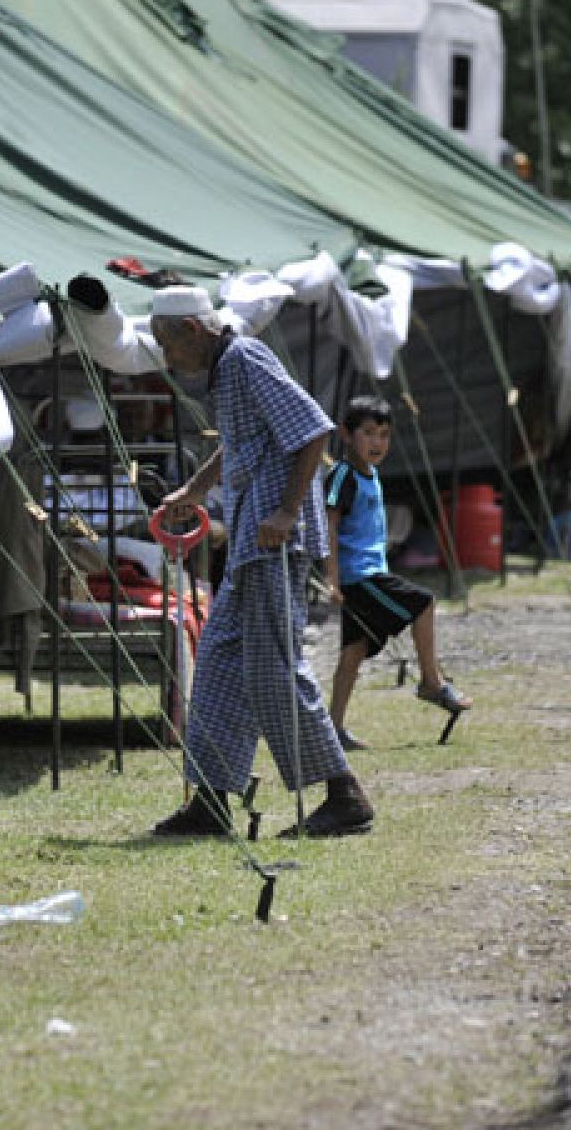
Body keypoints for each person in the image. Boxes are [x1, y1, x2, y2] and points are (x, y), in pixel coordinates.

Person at [148, 286, 375, 839]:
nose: (168, 360)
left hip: (275, 539)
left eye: (167, 346)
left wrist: (287, 510)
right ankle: (211, 798)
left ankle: (343, 793)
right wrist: (194, 491)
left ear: (193, 332)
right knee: (220, 662)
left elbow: (313, 427)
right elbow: (241, 442)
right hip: (252, 538)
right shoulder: (225, 373)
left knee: (273, 668)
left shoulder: (246, 358)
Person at [323, 395, 472, 749]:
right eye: (369, 433)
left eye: (385, 434)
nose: (378, 443)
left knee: (353, 653)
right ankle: (431, 682)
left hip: (371, 572)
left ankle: (333, 730)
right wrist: (332, 577)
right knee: (423, 603)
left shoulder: (371, 475)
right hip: (360, 577)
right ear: (346, 434)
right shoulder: (342, 475)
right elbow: (328, 526)